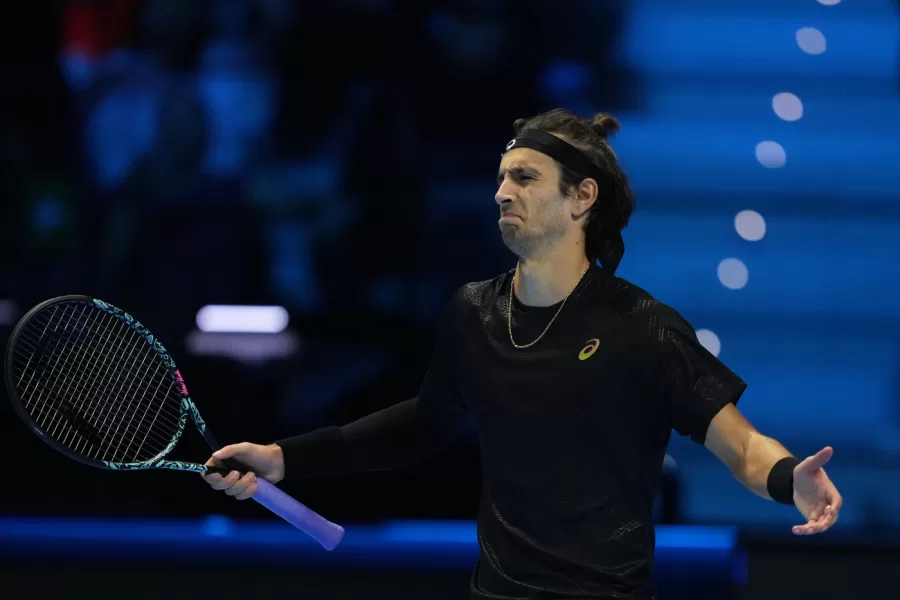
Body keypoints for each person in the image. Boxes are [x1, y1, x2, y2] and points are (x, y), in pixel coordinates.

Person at [202, 108, 842, 600]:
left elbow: (742, 445)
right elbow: (420, 425)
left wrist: (793, 480)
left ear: (581, 198)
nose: (502, 193)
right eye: (502, 177)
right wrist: (285, 458)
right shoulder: (473, 313)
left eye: (525, 177)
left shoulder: (644, 328)